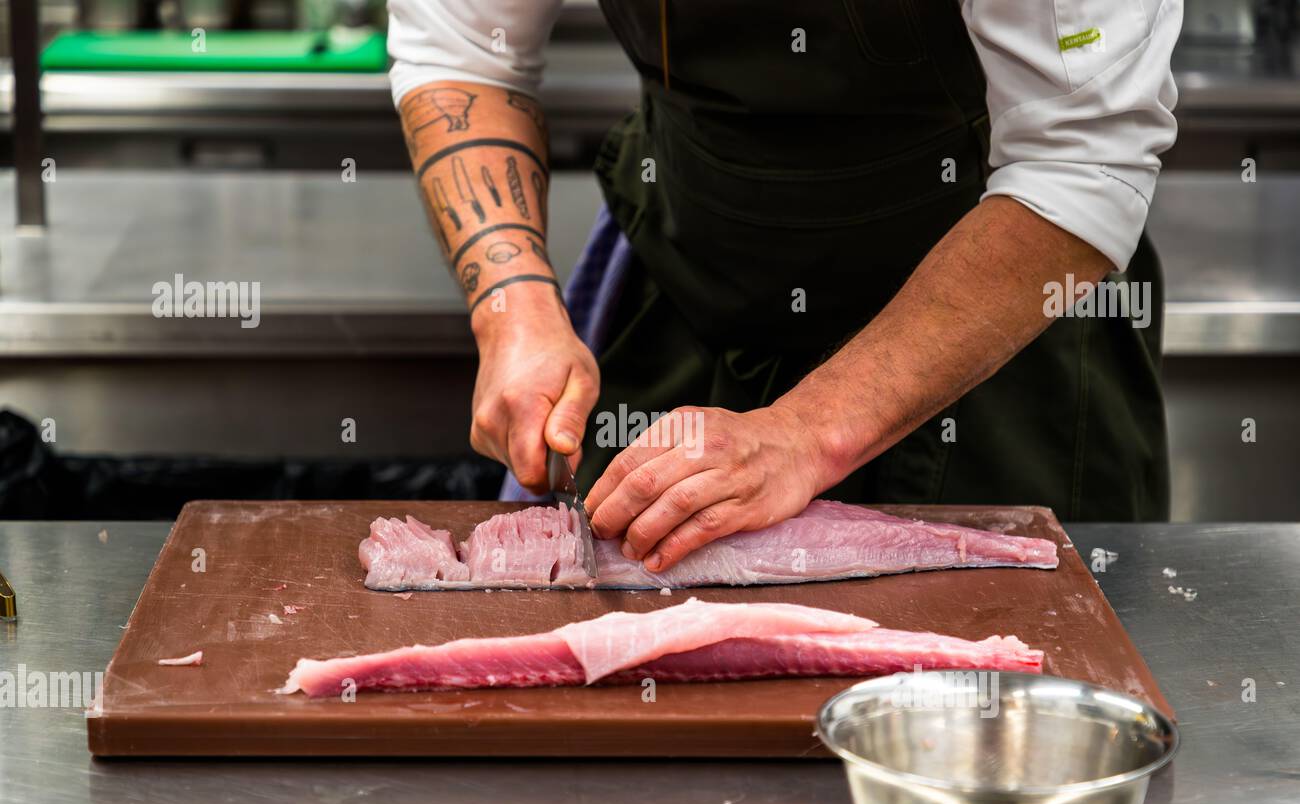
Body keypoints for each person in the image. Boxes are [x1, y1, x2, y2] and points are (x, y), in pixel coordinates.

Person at [388, 0, 1182, 573]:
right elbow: (466, 51)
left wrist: (807, 433)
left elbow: (1082, 159)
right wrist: (515, 309)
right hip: (692, 297)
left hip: (1000, 354)